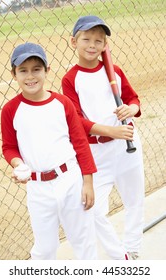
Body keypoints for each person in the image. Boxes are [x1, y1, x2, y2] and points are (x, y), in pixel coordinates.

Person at [1, 42, 98, 260]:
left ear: (47, 70)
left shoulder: (62, 103)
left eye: (36, 69)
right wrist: (17, 163)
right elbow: (9, 147)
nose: (30, 76)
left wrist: (88, 182)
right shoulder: (11, 110)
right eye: (23, 70)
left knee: (83, 240)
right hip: (38, 188)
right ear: (14, 74)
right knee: (45, 249)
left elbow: (80, 143)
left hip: (70, 180)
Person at [62, 15, 145, 260]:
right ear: (73, 42)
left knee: (134, 200)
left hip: (128, 144)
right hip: (97, 152)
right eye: (86, 39)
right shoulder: (71, 79)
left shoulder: (114, 71)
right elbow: (77, 121)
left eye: (99, 41)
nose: (92, 45)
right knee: (93, 209)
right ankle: (120, 256)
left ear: (105, 45)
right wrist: (111, 131)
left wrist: (131, 109)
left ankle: (132, 249)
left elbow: (134, 100)